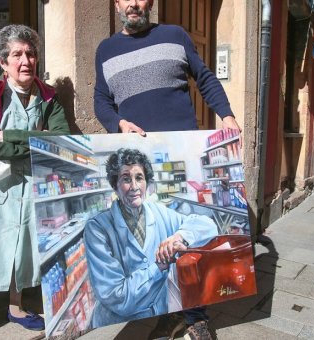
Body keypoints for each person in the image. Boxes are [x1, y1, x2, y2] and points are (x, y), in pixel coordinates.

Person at [94, 0, 240, 338]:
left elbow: (204, 78)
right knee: (152, 240)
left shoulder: (175, 35)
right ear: (117, 4)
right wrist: (117, 123)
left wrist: (227, 115)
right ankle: (167, 308)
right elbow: (101, 100)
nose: (133, 4)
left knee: (187, 231)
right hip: (139, 163)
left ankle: (196, 315)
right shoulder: (106, 49)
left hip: (182, 156)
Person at [0, 24, 70, 339]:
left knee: (24, 248)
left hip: (33, 184)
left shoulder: (48, 96)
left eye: (31, 53)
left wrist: (10, 136)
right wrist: (37, 140)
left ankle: (16, 306)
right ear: (3, 63)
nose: (26, 61)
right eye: (17, 54)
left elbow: (63, 140)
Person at [83, 148, 218, 329]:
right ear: (115, 185)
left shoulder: (158, 212)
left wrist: (180, 237)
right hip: (117, 327)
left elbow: (207, 225)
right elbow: (117, 297)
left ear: (146, 182)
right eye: (125, 179)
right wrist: (159, 266)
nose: (134, 186)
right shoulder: (97, 228)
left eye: (139, 178)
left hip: (157, 317)